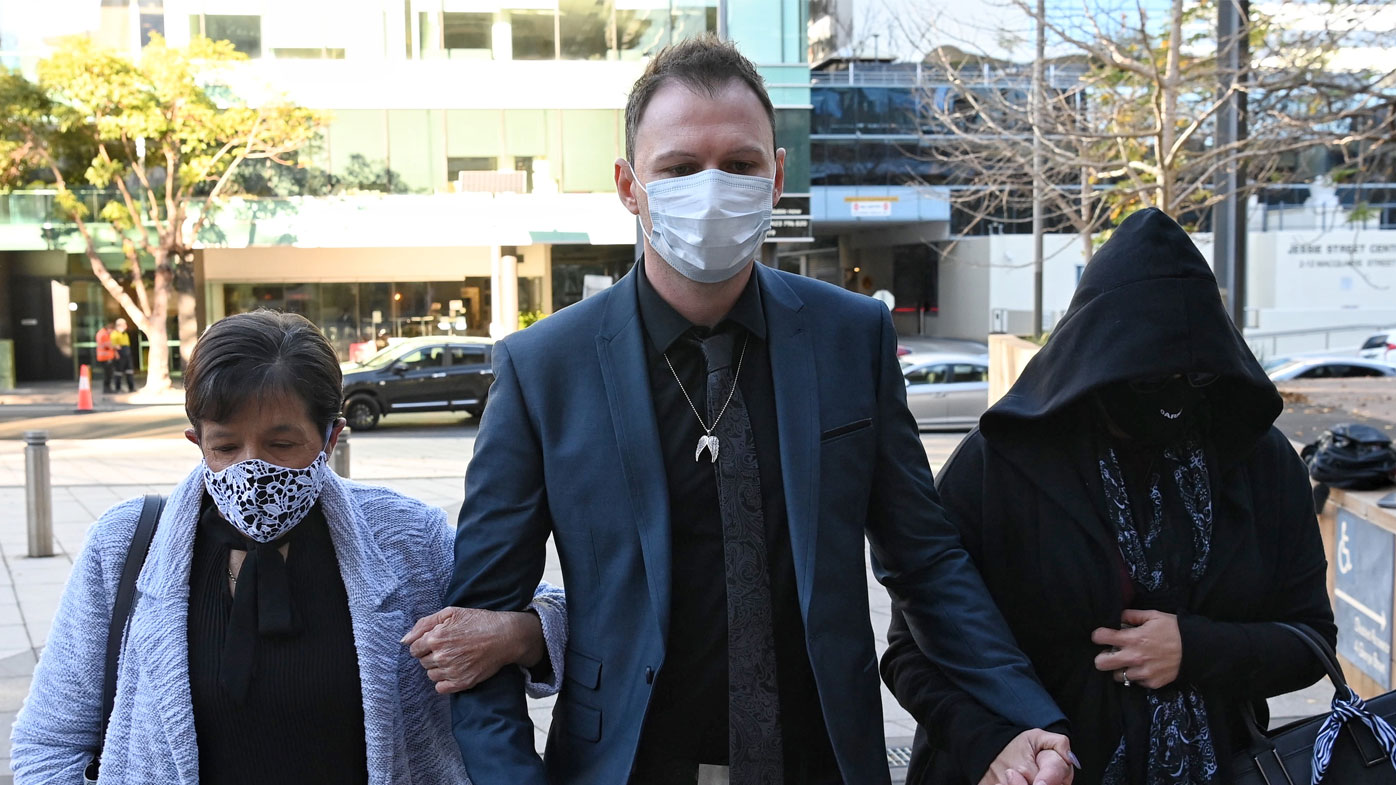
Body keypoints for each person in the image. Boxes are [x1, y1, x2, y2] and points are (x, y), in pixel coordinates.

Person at [429, 35, 1073, 785]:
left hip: (824, 765)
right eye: (679, 168)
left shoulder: (852, 337)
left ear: (777, 177)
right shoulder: (543, 367)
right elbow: (474, 629)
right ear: (629, 186)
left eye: (739, 165)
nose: (711, 190)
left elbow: (925, 561)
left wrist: (1025, 714)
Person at [11, 310, 568, 784]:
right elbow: (49, 743)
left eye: (281, 444)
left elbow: (559, 616)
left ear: (331, 437)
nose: (252, 468)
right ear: (196, 441)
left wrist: (514, 635)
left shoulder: (405, 537)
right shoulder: (126, 545)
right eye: (226, 446)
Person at [880, 208, 1336, 785]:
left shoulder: (1258, 462)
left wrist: (1196, 648)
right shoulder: (1000, 466)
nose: (1173, 397)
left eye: (1196, 378)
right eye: (1146, 380)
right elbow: (912, 649)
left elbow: (1311, 640)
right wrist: (995, 745)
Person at [110, 317, 135, 393]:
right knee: (118, 373)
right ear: (119, 325)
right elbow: (113, 346)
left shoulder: (125, 334)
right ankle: (118, 388)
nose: (126, 326)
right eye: (124, 324)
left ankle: (131, 388)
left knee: (129, 371)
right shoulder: (114, 334)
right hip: (120, 355)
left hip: (127, 354)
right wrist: (116, 354)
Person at [95, 321, 116, 394]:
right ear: (110, 329)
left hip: (103, 357)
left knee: (107, 374)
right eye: (112, 331)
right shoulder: (104, 334)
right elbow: (107, 345)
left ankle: (107, 388)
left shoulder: (101, 333)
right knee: (108, 374)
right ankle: (107, 389)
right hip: (106, 357)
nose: (112, 333)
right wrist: (115, 346)